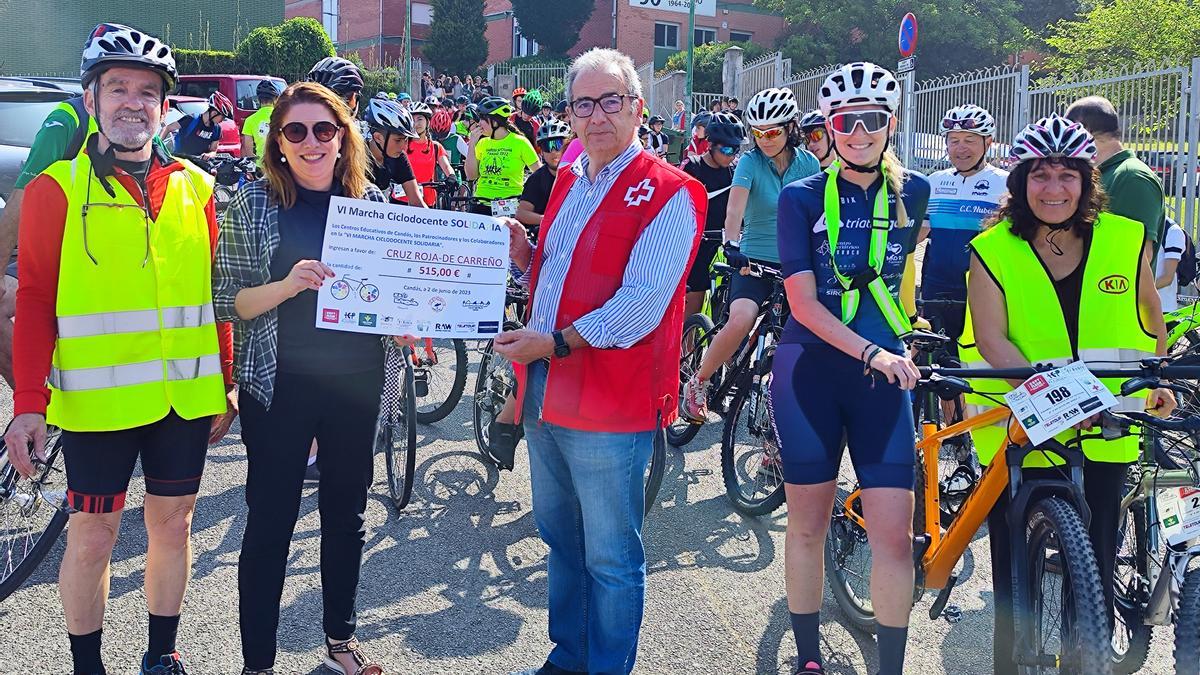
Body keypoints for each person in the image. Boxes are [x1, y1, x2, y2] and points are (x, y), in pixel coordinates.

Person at [5, 23, 237, 675]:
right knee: (93, 536)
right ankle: (88, 664)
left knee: (173, 529)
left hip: (183, 402)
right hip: (97, 407)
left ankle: (162, 654)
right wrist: (28, 403)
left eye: (148, 91)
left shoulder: (197, 188)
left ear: (165, 105)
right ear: (90, 99)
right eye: (118, 88)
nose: (134, 101)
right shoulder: (57, 190)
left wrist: (226, 378)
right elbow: (35, 305)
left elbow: (214, 293)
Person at [496, 47, 706, 675]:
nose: (595, 116)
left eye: (610, 101)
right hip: (544, 392)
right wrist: (524, 256)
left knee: (611, 556)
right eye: (583, 104)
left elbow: (641, 305)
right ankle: (571, 656)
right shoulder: (568, 179)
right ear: (569, 115)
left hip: (610, 404)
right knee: (562, 540)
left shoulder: (673, 193)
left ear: (638, 108)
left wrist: (554, 343)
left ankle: (607, 666)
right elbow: (557, 276)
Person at [960, 114, 1173, 675]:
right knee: (1011, 560)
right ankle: (1012, 662)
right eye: (1039, 175)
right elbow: (991, 337)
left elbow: (1150, 312)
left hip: (1110, 420)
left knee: (1096, 556)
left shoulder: (1125, 239)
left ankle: (1088, 660)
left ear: (1086, 181)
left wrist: (1159, 376)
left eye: (1067, 176)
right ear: (1020, 182)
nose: (1053, 189)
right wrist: (1052, 397)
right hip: (1018, 416)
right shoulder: (992, 248)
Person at [213, 82, 413, 675]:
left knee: (346, 513)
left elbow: (393, 292)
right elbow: (229, 301)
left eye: (324, 130)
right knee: (271, 517)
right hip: (279, 385)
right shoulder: (253, 203)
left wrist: (405, 322)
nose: (311, 142)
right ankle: (258, 663)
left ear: (343, 137)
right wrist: (288, 283)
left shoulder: (371, 203)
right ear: (276, 142)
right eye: (294, 131)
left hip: (356, 382)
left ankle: (340, 643)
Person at [772, 62, 930, 675]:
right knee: (808, 524)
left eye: (873, 121)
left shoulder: (913, 191)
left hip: (885, 377)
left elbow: (901, 277)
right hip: (811, 370)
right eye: (846, 121)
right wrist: (872, 351)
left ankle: (890, 667)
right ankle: (809, 657)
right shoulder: (800, 196)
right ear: (830, 128)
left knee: (893, 536)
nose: (859, 132)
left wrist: (908, 341)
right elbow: (804, 303)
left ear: (890, 125)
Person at [681, 88, 821, 422]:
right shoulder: (749, 162)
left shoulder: (809, 163)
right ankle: (698, 383)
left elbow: (818, 217)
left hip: (795, 265)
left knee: (797, 348)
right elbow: (734, 210)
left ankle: (775, 445)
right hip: (752, 261)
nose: (765, 139)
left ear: (790, 128)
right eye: (758, 133)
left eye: (773, 131)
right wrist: (731, 246)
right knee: (741, 318)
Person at [918, 104, 1008, 357]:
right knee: (940, 359)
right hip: (937, 282)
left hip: (983, 285)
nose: (961, 148)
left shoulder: (1005, 182)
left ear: (988, 142)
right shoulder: (934, 181)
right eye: (954, 140)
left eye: (970, 140)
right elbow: (919, 234)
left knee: (978, 355)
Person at [1066, 96, 1166, 260]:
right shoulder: (1097, 174)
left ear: (1083, 129)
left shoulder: (1132, 176)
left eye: (1067, 133)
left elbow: (1139, 257)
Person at [681, 112, 743, 318]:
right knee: (693, 303)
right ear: (710, 144)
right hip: (697, 246)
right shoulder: (693, 167)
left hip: (726, 245)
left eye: (736, 150)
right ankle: (687, 347)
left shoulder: (736, 170)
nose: (731, 155)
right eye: (726, 149)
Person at [465, 96, 541, 217]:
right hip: (481, 204)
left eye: (482, 119)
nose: (478, 124)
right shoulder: (482, 143)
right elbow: (471, 175)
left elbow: (540, 174)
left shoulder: (520, 142)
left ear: (495, 122)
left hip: (509, 206)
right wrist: (472, 145)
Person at [364, 97, 424, 206]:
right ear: (378, 137)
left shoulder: (399, 157)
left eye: (406, 140)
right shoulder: (355, 155)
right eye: (398, 140)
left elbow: (416, 201)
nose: (403, 146)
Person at [516, 117, 571, 232]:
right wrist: (552, 220)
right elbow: (522, 213)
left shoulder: (581, 175)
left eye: (558, 144)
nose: (553, 151)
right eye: (547, 146)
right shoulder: (537, 179)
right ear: (541, 151)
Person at [404, 101, 458, 207]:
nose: (416, 124)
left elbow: (446, 166)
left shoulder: (435, 147)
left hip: (427, 200)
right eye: (412, 120)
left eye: (420, 119)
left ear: (427, 122)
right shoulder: (401, 145)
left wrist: (451, 176)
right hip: (402, 199)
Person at [164, 91, 233, 166]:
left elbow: (213, 150)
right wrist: (156, 145)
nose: (223, 120)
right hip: (181, 162)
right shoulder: (192, 119)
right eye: (222, 117)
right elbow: (168, 128)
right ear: (214, 113)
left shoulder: (217, 129)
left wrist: (209, 155)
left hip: (199, 165)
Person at [241, 79, 281, 167]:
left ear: (259, 99)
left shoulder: (249, 120)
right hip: (280, 165)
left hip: (261, 166)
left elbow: (248, 150)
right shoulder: (282, 117)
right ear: (276, 99)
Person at [1157, 217, 1187, 311]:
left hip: (1162, 308)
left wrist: (1134, 292)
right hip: (1133, 306)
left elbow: (1167, 278)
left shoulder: (1172, 230)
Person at [431, 107, 468, 176]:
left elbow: (469, 155)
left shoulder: (456, 139)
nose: (440, 138)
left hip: (453, 177)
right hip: (435, 178)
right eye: (437, 135)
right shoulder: (430, 139)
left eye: (442, 134)